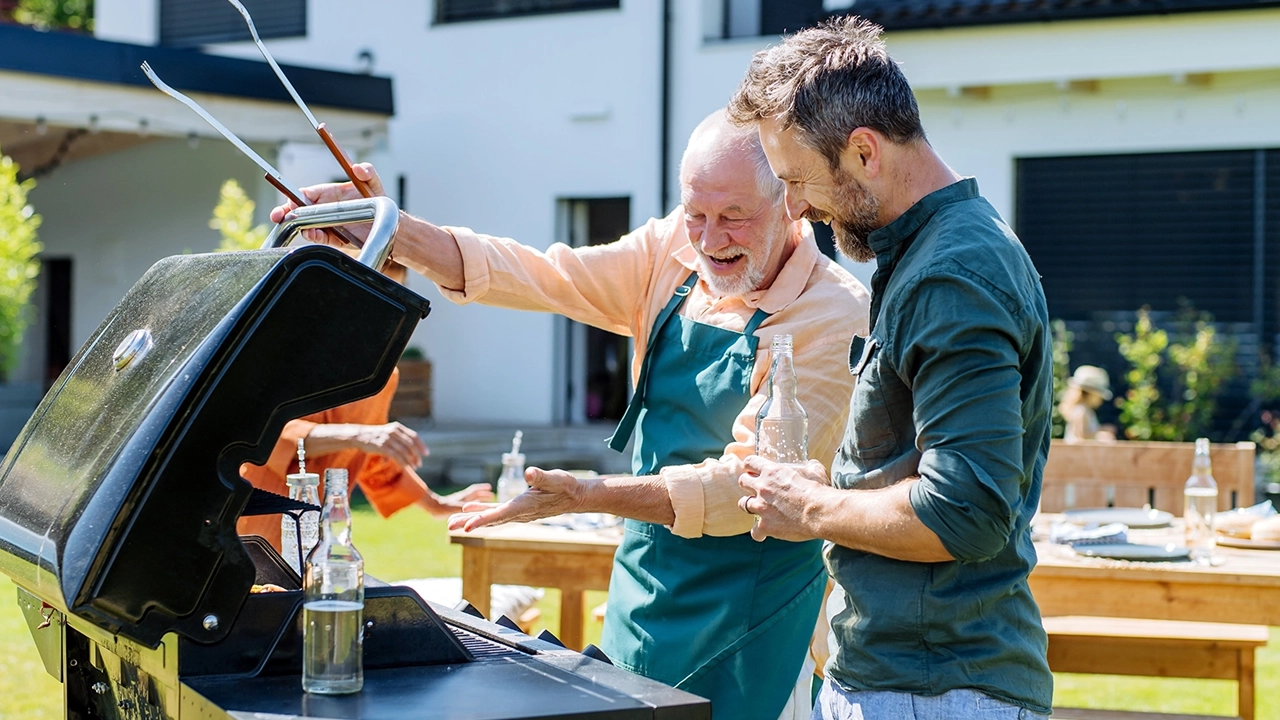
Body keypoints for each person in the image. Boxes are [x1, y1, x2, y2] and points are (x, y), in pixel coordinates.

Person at [272, 110, 870, 720]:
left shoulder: (834, 313)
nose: (710, 240)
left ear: (790, 201)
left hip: (753, 611)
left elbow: (748, 488)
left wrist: (588, 494)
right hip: (645, 583)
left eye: (733, 216)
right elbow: (544, 275)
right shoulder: (671, 249)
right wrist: (393, 229)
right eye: (696, 213)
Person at [727, 16, 1054, 720]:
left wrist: (811, 507)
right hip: (916, 681)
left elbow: (963, 512)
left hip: (932, 689)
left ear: (863, 151)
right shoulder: (930, 250)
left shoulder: (952, 274)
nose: (795, 209)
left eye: (796, 180)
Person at [237, 260, 492, 549]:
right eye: (375, 290)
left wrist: (435, 504)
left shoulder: (383, 374)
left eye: (395, 292)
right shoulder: (292, 349)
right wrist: (360, 435)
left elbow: (373, 454)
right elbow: (266, 434)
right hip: (256, 527)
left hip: (324, 536)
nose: (387, 305)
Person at [1059, 364, 1116, 443]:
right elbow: (1080, 437)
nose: (1101, 399)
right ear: (1090, 394)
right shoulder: (1081, 411)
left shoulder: (1085, 411)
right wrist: (1100, 433)